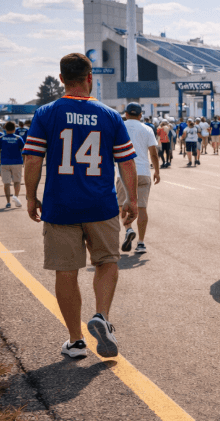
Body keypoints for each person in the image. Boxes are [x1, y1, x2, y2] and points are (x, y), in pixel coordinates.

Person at [23, 52, 138, 359]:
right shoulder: (111, 116)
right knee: (107, 261)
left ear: (61, 79)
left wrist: (31, 195)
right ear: (90, 78)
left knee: (66, 271)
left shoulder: (46, 113)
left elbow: (33, 157)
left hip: (61, 205)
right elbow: (126, 161)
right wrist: (132, 199)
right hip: (101, 204)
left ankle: (75, 341)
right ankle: (101, 316)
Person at [118, 103, 160, 254]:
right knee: (142, 207)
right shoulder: (148, 129)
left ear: (126, 114)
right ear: (140, 115)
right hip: (143, 172)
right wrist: (157, 171)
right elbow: (153, 153)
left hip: (124, 172)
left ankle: (128, 229)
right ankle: (141, 243)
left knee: (122, 205)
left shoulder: (120, 126)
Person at [0, 121, 25, 209]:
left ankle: (8, 202)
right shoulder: (18, 138)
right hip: (17, 163)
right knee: (17, 181)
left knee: (7, 183)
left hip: (4, 163)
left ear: (5, 128)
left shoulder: (1, 138)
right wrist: (23, 160)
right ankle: (15, 197)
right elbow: (23, 150)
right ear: (14, 128)